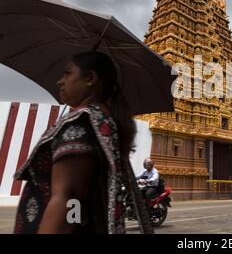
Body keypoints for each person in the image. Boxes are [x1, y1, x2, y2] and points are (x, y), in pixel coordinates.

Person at [13, 51, 150, 234]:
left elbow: (68, 197)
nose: (60, 81)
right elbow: (76, 203)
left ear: (90, 78)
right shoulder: (100, 122)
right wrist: (76, 225)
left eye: (67, 73)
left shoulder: (81, 124)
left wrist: (69, 226)